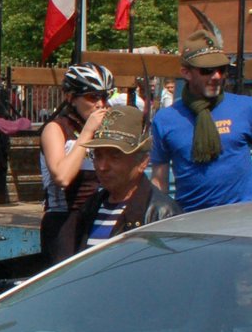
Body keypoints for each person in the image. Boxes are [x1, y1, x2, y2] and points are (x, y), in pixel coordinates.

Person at [149, 28, 252, 210]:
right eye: (207, 71)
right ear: (186, 73)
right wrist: (161, 215)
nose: (217, 76)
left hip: (239, 219)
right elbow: (158, 178)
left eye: (221, 69)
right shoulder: (166, 119)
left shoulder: (246, 107)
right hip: (190, 222)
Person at [73, 106, 180, 250]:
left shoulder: (162, 213)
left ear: (142, 162)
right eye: (98, 155)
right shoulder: (91, 207)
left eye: (114, 156)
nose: (102, 166)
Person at [39, 63, 114, 266]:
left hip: (98, 216)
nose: (101, 104)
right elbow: (62, 177)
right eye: (92, 97)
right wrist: (87, 133)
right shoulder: (56, 129)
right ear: (70, 97)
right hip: (65, 221)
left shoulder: (105, 129)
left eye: (106, 96)